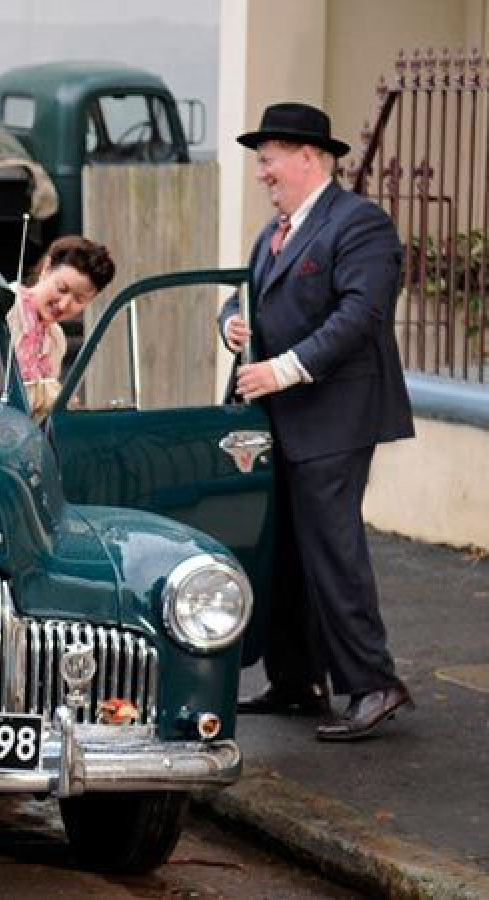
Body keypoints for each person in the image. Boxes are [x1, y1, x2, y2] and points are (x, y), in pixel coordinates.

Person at [220, 102, 415, 741]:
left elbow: (361, 316)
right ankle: (299, 680)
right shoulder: (274, 230)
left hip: (334, 414)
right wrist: (231, 324)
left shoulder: (360, 225)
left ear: (309, 157)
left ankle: (373, 683)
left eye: (268, 159)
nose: (261, 173)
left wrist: (286, 367)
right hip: (278, 419)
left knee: (333, 551)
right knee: (284, 549)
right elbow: (240, 293)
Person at [7, 235, 116, 419]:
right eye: (62, 288)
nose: (64, 304)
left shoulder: (56, 339)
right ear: (47, 269)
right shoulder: (4, 305)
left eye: (79, 300)